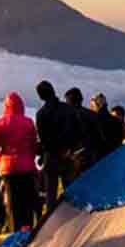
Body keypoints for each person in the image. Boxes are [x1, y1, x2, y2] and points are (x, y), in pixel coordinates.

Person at [0, 91, 39, 233]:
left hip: (8, 168)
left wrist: (0, 160)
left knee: (12, 202)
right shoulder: (28, 122)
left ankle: (14, 231)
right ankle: (27, 230)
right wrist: (30, 158)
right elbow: (34, 145)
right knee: (27, 201)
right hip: (27, 166)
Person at [35, 80, 79, 212]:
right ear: (53, 90)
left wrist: (45, 153)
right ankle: (74, 218)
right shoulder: (67, 108)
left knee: (51, 194)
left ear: (41, 96)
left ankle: (51, 224)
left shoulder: (41, 113)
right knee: (70, 191)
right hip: (67, 154)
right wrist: (70, 149)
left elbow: (43, 139)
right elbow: (76, 130)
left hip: (51, 156)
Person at [64, 87, 104, 171]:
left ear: (68, 101)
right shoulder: (93, 115)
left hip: (74, 158)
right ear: (81, 99)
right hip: (93, 157)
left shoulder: (66, 117)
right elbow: (100, 137)